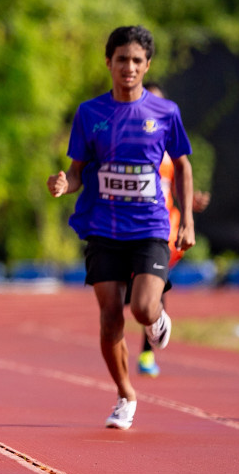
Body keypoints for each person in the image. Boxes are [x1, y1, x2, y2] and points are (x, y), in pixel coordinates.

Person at [48, 26, 193, 430]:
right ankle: (125, 394)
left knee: (143, 308)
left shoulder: (165, 113)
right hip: (103, 227)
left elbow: (182, 164)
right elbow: (77, 172)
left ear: (147, 66)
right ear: (108, 62)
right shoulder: (90, 113)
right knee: (111, 315)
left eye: (136, 60)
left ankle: (158, 317)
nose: (128, 67)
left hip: (148, 226)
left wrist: (189, 220)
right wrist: (64, 184)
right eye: (121, 59)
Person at [136, 85, 211, 377]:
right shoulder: (127, 137)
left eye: (158, 100)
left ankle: (146, 351)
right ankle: (151, 322)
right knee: (133, 293)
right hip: (129, 225)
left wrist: (190, 203)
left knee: (153, 282)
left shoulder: (168, 142)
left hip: (162, 226)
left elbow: (178, 179)